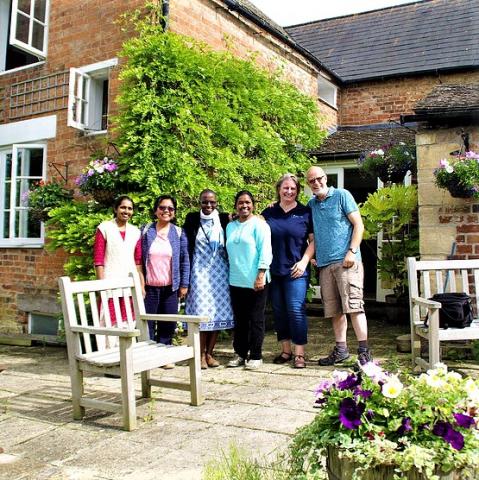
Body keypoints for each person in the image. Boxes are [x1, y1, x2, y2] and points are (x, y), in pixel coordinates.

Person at [306, 166, 372, 366]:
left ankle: (364, 352)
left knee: (354, 306)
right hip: (325, 265)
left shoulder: (342, 195)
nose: (316, 183)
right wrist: (313, 256)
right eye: (312, 181)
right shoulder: (311, 204)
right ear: (308, 184)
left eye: (319, 178)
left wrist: (351, 251)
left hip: (347, 262)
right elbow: (313, 233)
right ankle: (341, 350)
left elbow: (358, 225)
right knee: (334, 310)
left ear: (326, 178)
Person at [262, 174, 315, 369]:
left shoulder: (305, 212)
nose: (289, 191)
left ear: (298, 191)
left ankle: (299, 354)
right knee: (279, 311)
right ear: (279, 190)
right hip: (274, 271)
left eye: (293, 189)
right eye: (285, 188)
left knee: (295, 310)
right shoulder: (269, 212)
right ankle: (286, 350)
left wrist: (304, 261)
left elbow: (313, 241)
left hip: (296, 271)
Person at [184, 189, 234, 370]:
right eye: (205, 202)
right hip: (199, 273)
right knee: (202, 315)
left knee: (217, 314)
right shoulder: (191, 219)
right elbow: (185, 246)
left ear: (217, 203)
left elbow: (248, 217)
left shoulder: (222, 219)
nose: (208, 205)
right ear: (200, 202)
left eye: (212, 202)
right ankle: (199, 355)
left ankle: (209, 354)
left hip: (219, 273)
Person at [226, 190, 272, 370]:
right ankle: (240, 353)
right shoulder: (230, 226)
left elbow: (265, 251)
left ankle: (256, 355)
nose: (244, 206)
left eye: (247, 202)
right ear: (236, 205)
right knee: (240, 320)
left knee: (256, 319)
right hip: (236, 280)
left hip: (256, 280)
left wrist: (261, 275)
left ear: (253, 205)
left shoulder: (260, 225)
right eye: (240, 203)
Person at [141, 195, 190, 363]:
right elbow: (138, 258)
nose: (166, 211)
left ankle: (164, 358)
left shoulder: (178, 232)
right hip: (149, 287)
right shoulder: (146, 231)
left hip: (171, 287)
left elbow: (185, 259)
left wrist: (184, 284)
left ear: (174, 213)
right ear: (156, 210)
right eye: (162, 208)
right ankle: (149, 357)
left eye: (170, 208)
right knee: (147, 324)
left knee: (168, 322)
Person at [93, 195, 143, 325]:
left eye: (130, 208)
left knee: (128, 323)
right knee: (108, 322)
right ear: (116, 209)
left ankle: (126, 347)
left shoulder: (135, 232)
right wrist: (101, 285)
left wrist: (141, 286)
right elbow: (98, 260)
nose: (126, 211)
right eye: (123, 207)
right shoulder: (104, 228)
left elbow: (138, 262)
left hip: (129, 285)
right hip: (110, 284)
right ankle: (107, 346)